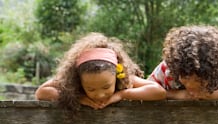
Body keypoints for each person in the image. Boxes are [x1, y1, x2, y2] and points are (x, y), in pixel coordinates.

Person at [35, 32, 166, 110]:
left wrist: (121, 95)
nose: (100, 95)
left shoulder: (123, 80)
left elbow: (159, 92)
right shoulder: (74, 83)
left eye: (106, 87)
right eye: (91, 89)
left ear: (116, 76)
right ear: (78, 79)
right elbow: (42, 92)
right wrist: (79, 98)